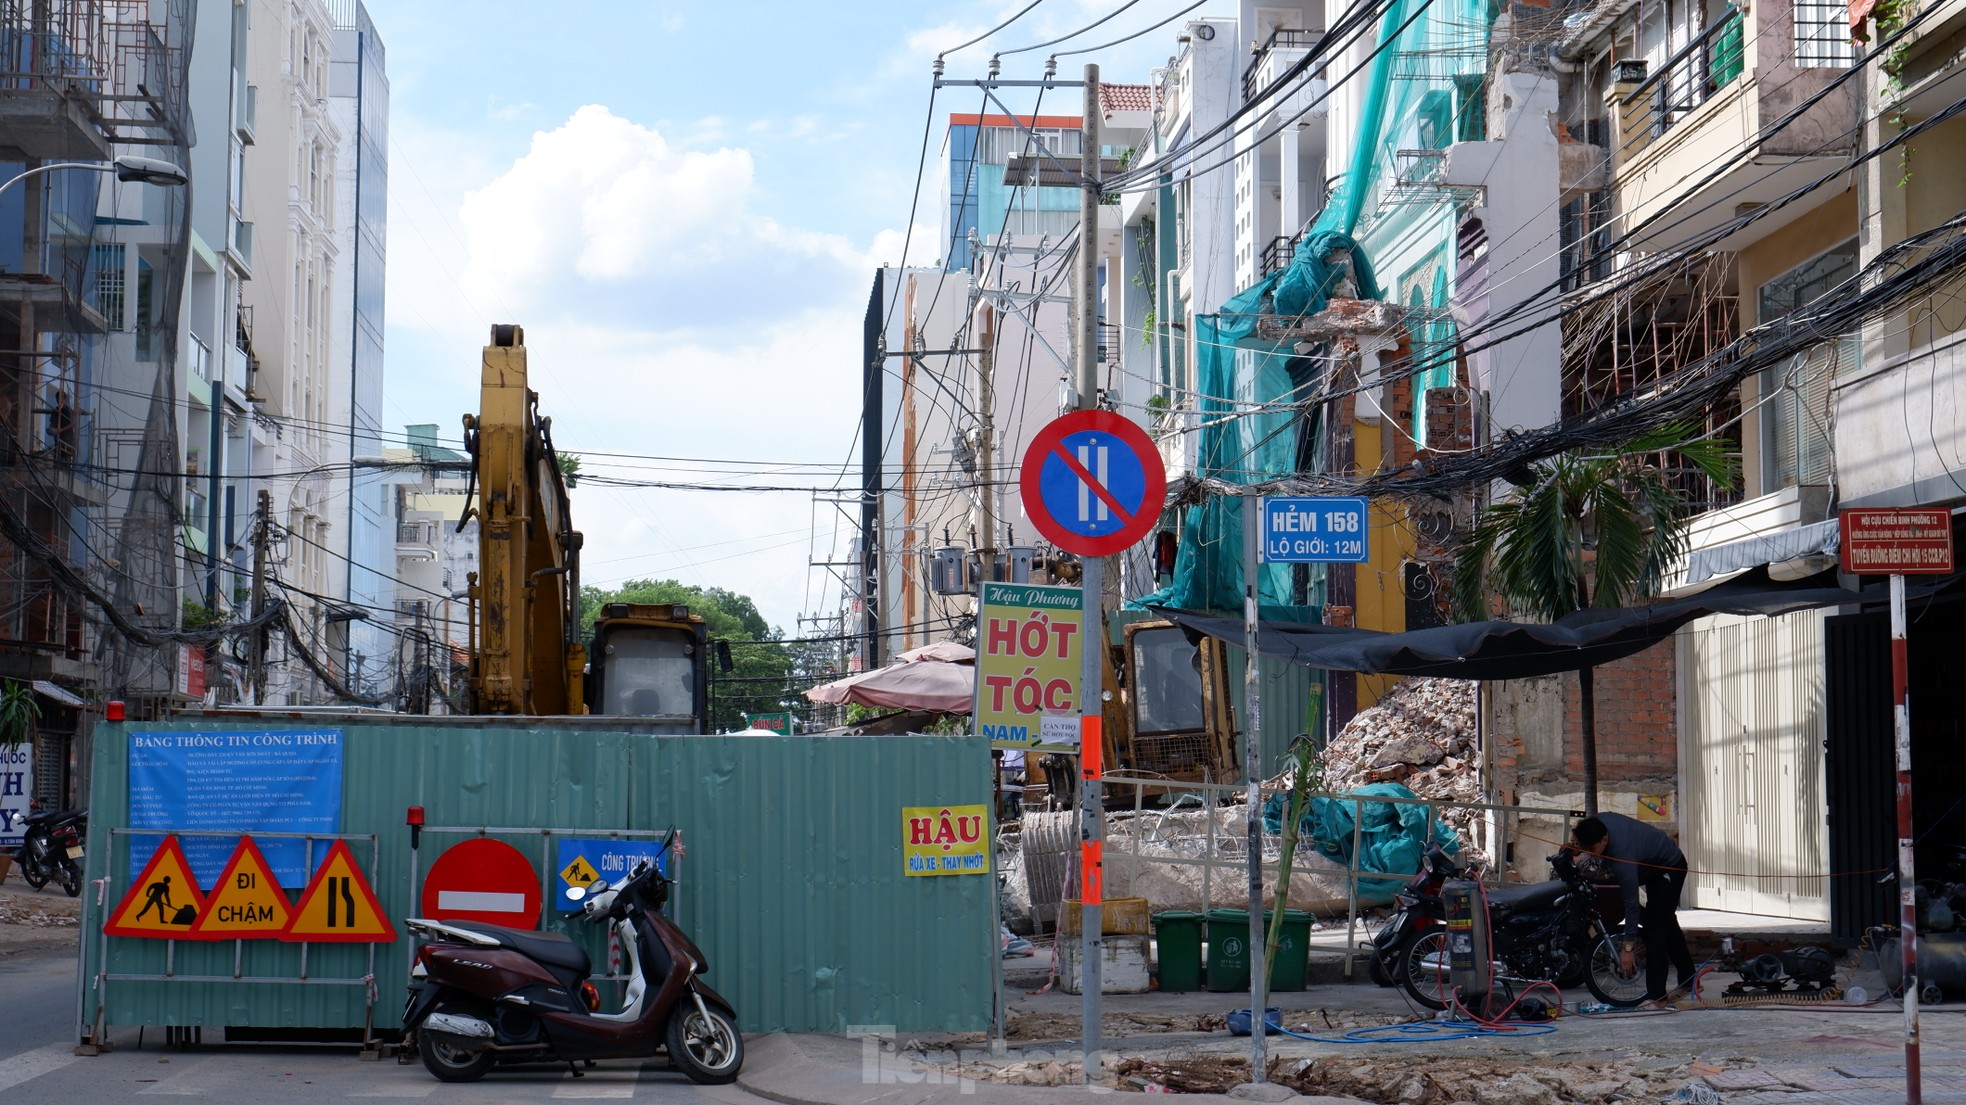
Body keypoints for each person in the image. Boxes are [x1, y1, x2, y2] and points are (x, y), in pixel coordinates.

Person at [1571, 813, 1695, 1008]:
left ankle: (1657, 998)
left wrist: (1627, 947)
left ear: (1605, 839)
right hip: (1651, 865)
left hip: (1670, 867)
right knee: (1663, 920)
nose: (1591, 855)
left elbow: (1631, 903)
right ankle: (1689, 980)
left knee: (1655, 931)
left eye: (1593, 851)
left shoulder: (1622, 857)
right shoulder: (1595, 823)